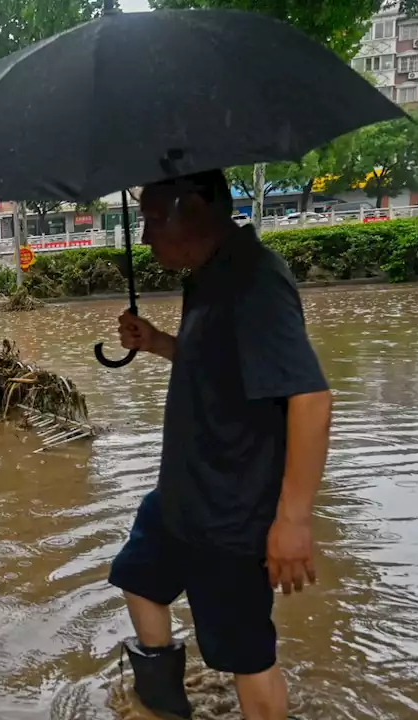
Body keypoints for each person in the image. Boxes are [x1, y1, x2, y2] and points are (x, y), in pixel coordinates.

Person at [109, 170, 333, 720]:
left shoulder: (255, 279)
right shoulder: (208, 274)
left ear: (193, 210)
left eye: (153, 221)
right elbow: (221, 364)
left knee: (245, 655)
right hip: (182, 494)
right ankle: (164, 707)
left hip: (231, 511)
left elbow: (311, 398)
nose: (145, 239)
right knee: (138, 577)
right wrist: (159, 342)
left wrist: (293, 521)